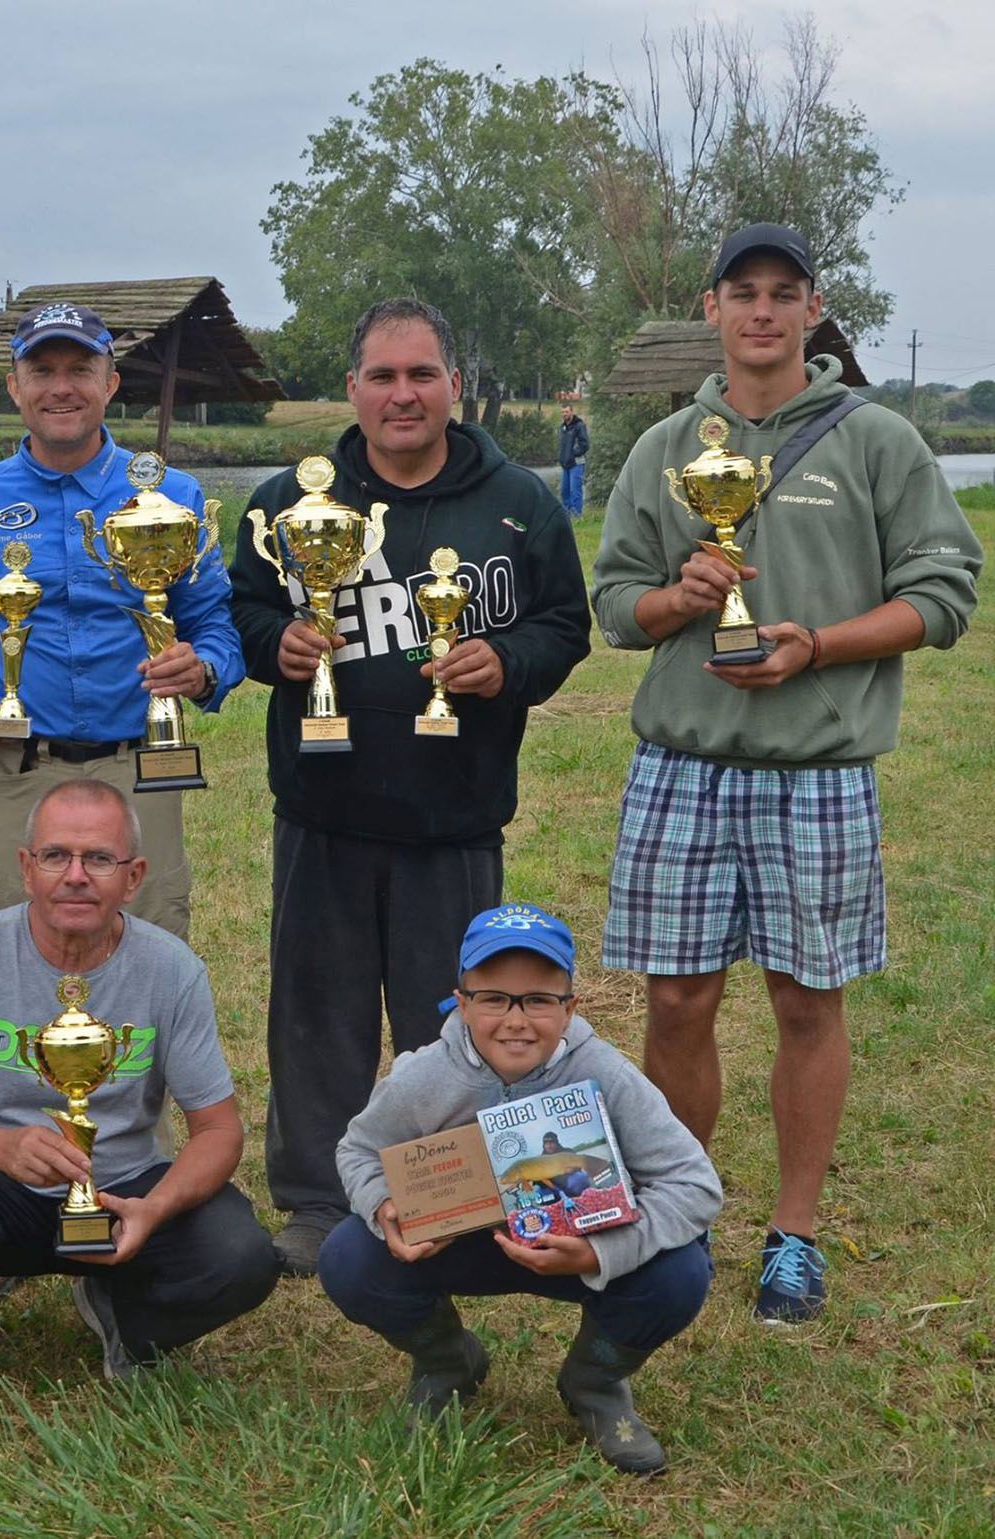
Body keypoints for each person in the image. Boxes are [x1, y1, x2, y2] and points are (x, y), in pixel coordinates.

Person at [591, 222, 983, 1324]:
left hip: (816, 768)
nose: (762, 311)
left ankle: (794, 1235)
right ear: (711, 310)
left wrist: (817, 644)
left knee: (808, 1002)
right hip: (682, 761)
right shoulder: (665, 445)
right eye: (742, 291)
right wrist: (678, 597)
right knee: (675, 1000)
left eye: (784, 293)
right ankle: (682, 1215)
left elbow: (945, 594)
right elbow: (616, 603)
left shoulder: (877, 440)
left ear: (815, 312)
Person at [228, 296, 592, 1277]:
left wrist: (506, 662)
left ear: (453, 387)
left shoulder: (516, 500)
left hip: (454, 813)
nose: (402, 394)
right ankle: (312, 1198)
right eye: (383, 376)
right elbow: (246, 618)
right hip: (326, 809)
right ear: (353, 389)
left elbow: (565, 628)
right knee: (318, 1013)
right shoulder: (287, 503)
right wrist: (281, 643)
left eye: (421, 374)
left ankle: (449, 1192)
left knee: (453, 1025)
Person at [0, 779, 280, 1439]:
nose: (76, 876)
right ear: (26, 868)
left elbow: (218, 1130)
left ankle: (128, 1321)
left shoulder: (172, 970)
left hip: (121, 1192)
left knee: (244, 1253)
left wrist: (155, 1206)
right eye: (56, 856)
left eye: (100, 859)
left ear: (135, 875)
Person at [319, 903, 720, 1475]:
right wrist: (385, 1207)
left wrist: (604, 1252)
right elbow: (357, 1149)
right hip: (463, 1244)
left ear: (570, 1007)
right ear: (461, 1003)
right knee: (348, 1258)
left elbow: (695, 1184)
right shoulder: (423, 1077)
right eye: (494, 999)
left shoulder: (607, 1075)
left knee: (682, 1270)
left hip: (580, 1246)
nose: (516, 1019)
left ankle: (596, 1382)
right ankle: (445, 1361)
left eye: (538, 1000)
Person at [0, 301, 245, 941]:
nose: (61, 387)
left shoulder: (173, 498)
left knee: (149, 954)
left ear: (111, 383)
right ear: (14, 386)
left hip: (139, 765)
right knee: (9, 954)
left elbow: (214, 625)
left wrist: (202, 670)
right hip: (19, 768)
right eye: (42, 370)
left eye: (80, 369)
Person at [558, 400, 590, 517]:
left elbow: (585, 444)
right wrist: (561, 457)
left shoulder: (579, 426)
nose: (564, 414)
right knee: (564, 491)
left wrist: (573, 453)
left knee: (575, 490)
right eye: (562, 412)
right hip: (565, 464)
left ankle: (577, 515)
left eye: (566, 412)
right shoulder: (562, 427)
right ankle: (566, 515)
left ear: (572, 412)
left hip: (576, 463)